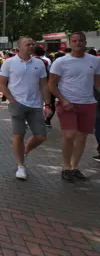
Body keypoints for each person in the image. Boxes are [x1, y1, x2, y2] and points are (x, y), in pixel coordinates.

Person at [49, 32, 100, 182]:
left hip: (88, 103)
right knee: (69, 134)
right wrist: (63, 100)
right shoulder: (61, 62)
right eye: (75, 41)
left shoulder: (95, 61)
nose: (78, 43)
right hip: (67, 103)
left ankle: (74, 167)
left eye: (81, 41)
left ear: (85, 43)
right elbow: (52, 85)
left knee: (82, 136)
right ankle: (65, 167)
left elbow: (97, 84)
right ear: (70, 43)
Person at [0, 37, 51, 180]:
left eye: (32, 44)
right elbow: (1, 84)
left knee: (41, 136)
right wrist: (13, 101)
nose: (31, 46)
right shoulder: (9, 63)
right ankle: (21, 165)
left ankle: (26, 149)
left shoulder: (39, 63)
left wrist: (48, 104)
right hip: (17, 104)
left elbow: (44, 85)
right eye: (28, 44)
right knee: (18, 135)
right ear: (19, 47)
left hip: (35, 105)